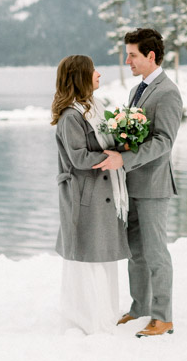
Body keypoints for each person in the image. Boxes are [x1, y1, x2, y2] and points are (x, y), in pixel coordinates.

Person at [94, 28, 183, 338]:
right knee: (135, 251)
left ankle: (163, 317)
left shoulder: (167, 91)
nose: (127, 60)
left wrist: (125, 160)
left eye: (132, 55)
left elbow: (164, 142)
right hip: (132, 185)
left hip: (154, 186)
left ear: (151, 56)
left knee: (156, 252)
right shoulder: (138, 90)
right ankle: (139, 307)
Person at [52, 55, 130, 334]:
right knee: (87, 258)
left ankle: (105, 313)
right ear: (81, 76)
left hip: (101, 194)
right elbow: (78, 157)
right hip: (85, 198)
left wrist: (122, 143)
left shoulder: (93, 108)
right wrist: (111, 155)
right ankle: (87, 319)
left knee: (103, 257)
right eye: (94, 70)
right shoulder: (71, 116)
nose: (100, 74)